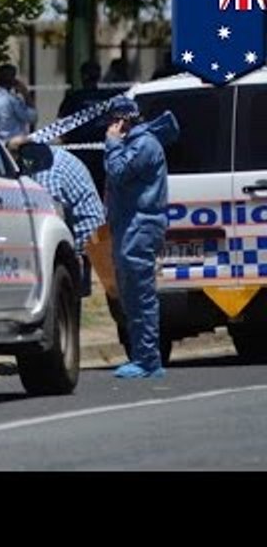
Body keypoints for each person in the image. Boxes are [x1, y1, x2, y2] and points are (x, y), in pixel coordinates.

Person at [103, 95, 179, 378]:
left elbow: (118, 171)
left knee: (140, 293)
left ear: (122, 121)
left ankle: (149, 360)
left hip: (140, 225)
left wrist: (111, 145)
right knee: (130, 294)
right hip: (128, 224)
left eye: (112, 122)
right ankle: (141, 355)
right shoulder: (134, 144)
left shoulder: (144, 144)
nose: (109, 128)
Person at [6, 135, 105, 296]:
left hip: (84, 237)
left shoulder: (46, 172)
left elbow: (48, 213)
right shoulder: (48, 156)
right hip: (84, 229)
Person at [57, 59, 113, 198]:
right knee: (101, 189)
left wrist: (66, 144)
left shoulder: (73, 98)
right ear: (98, 76)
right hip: (102, 151)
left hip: (79, 153)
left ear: (82, 76)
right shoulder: (106, 98)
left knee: (79, 188)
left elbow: (62, 125)